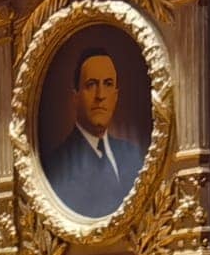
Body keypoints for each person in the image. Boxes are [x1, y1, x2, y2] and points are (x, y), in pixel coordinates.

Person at [40, 49, 145, 219]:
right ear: (76, 97)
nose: (100, 95)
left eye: (108, 84)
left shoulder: (133, 155)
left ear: (116, 96)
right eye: (91, 84)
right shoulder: (55, 165)